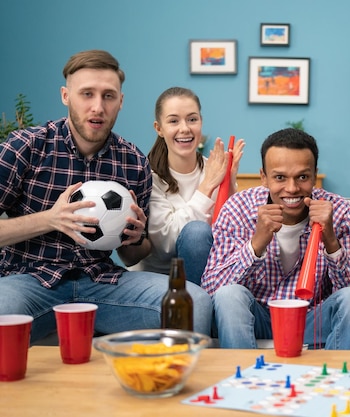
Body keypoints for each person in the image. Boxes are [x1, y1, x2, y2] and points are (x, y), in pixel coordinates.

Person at [0, 50, 213, 342]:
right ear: (66, 96)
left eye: (108, 96)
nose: (97, 107)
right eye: (87, 94)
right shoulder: (25, 147)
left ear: (121, 102)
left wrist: (135, 238)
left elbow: (132, 256)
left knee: (196, 302)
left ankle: (171, 383)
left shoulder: (133, 161)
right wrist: (51, 220)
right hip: (29, 281)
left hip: (100, 281)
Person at [201, 128, 350, 349]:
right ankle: (242, 379)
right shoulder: (238, 208)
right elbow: (212, 291)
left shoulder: (340, 211)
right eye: (279, 177)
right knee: (229, 295)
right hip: (258, 319)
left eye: (303, 177)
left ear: (314, 175)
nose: (292, 188)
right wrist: (256, 244)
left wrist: (331, 241)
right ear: (264, 178)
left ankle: (336, 380)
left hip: (311, 321)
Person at [127, 87, 244, 285]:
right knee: (197, 232)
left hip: (209, 274)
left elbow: (228, 237)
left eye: (192, 119)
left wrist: (230, 187)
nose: (185, 128)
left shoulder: (214, 168)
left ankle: (204, 301)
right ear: (159, 128)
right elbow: (165, 245)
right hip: (158, 279)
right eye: (173, 121)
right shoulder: (148, 177)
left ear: (201, 122)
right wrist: (207, 186)